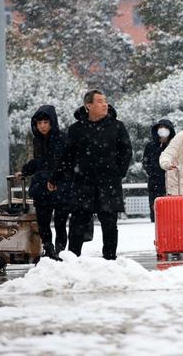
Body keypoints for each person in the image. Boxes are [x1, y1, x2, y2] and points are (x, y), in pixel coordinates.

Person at [49, 89, 132, 260]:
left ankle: (110, 259)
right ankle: (72, 259)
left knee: (109, 224)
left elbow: (126, 152)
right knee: (77, 224)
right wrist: (56, 177)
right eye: (100, 101)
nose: (105, 104)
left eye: (105, 100)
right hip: (83, 183)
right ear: (89, 105)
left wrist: (118, 173)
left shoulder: (117, 126)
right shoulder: (76, 129)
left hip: (108, 183)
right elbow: (67, 157)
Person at [16, 105, 71, 260]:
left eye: (45, 122)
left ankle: (60, 252)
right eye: (39, 123)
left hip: (60, 186)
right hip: (41, 186)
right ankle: (48, 249)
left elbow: (64, 162)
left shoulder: (62, 138)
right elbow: (39, 161)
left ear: (52, 122)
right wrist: (25, 171)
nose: (42, 126)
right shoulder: (38, 141)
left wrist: (55, 179)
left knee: (60, 223)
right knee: (43, 223)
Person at [142, 119, 176, 222]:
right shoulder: (150, 146)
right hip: (155, 184)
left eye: (165, 128)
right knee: (157, 215)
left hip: (172, 184)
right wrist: (152, 172)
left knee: (173, 214)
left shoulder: (174, 146)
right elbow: (145, 162)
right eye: (160, 128)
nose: (163, 130)